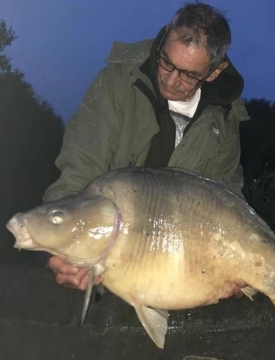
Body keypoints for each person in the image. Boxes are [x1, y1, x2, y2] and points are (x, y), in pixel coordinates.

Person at [45, 2, 249, 290]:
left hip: (180, 266)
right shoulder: (116, 84)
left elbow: (227, 198)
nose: (170, 79)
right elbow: (79, 170)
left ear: (215, 72)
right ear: (164, 38)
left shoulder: (224, 118)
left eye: (189, 74)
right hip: (112, 257)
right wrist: (63, 247)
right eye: (167, 61)